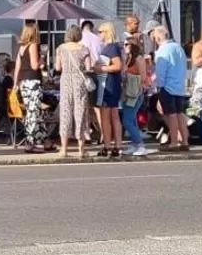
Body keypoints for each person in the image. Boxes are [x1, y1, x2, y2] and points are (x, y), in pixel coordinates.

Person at [54, 26, 93, 160]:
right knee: (80, 112)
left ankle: (64, 149)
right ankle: (81, 149)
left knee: (65, 113)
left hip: (65, 82)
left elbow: (58, 67)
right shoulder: (84, 49)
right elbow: (89, 67)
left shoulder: (60, 48)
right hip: (79, 82)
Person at [90, 23, 125, 160]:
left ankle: (108, 146)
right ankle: (117, 145)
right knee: (114, 116)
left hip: (108, 85)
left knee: (106, 117)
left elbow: (117, 66)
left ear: (107, 32)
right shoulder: (113, 47)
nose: (99, 34)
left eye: (100, 32)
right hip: (112, 84)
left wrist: (101, 68)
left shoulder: (111, 48)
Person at [151, 26, 189, 152]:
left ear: (158, 37)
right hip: (179, 86)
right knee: (179, 114)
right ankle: (184, 141)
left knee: (171, 114)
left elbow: (161, 71)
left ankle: (173, 142)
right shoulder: (178, 47)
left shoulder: (163, 50)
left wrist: (159, 86)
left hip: (168, 86)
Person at [11, 23, 46, 151]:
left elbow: (17, 68)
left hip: (23, 83)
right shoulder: (33, 46)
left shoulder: (21, 48)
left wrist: (15, 84)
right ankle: (32, 142)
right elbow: (35, 66)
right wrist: (42, 58)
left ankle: (43, 140)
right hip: (33, 82)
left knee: (37, 112)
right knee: (33, 113)